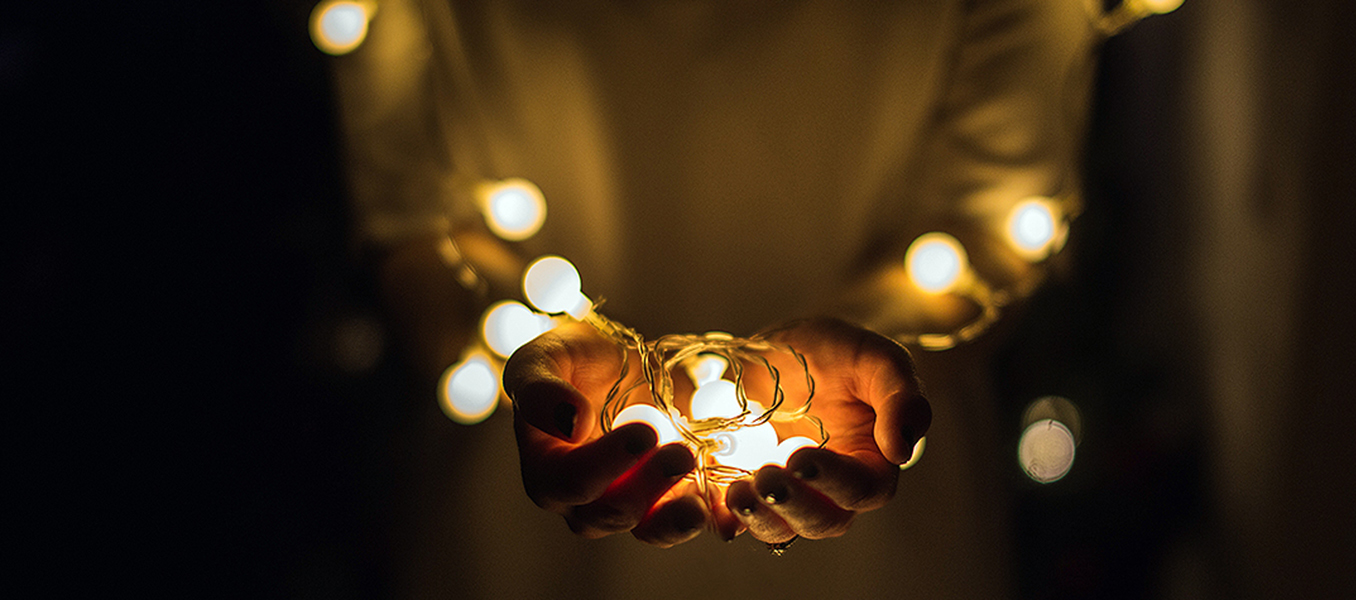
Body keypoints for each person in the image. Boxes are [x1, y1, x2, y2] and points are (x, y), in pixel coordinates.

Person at [333, 0, 1103, 594]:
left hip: (876, 519)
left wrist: (884, 351)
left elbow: (996, 216)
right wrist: (507, 349)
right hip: (520, 534)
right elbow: (413, 219)